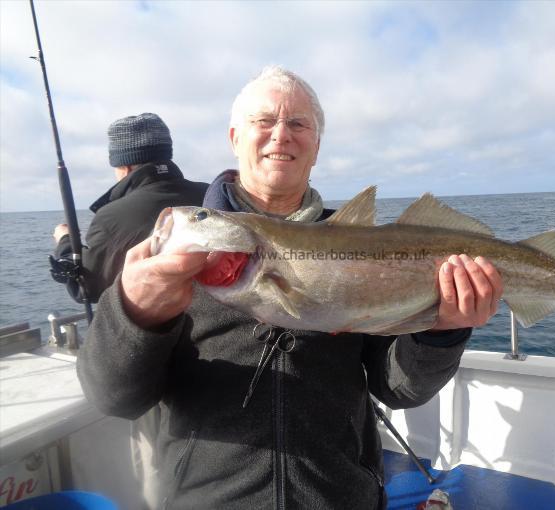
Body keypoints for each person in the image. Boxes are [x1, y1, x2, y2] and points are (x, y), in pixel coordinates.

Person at [76, 67, 503, 509]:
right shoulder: (168, 253)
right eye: (264, 121)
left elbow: (398, 388)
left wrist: (441, 332)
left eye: (299, 124)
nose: (281, 135)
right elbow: (114, 398)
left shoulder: (365, 247)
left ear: (316, 147)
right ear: (234, 137)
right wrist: (136, 314)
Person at [52, 112, 208, 303]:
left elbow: (88, 288)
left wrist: (66, 241)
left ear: (124, 166)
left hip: (164, 328)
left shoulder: (110, 217)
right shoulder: (211, 194)